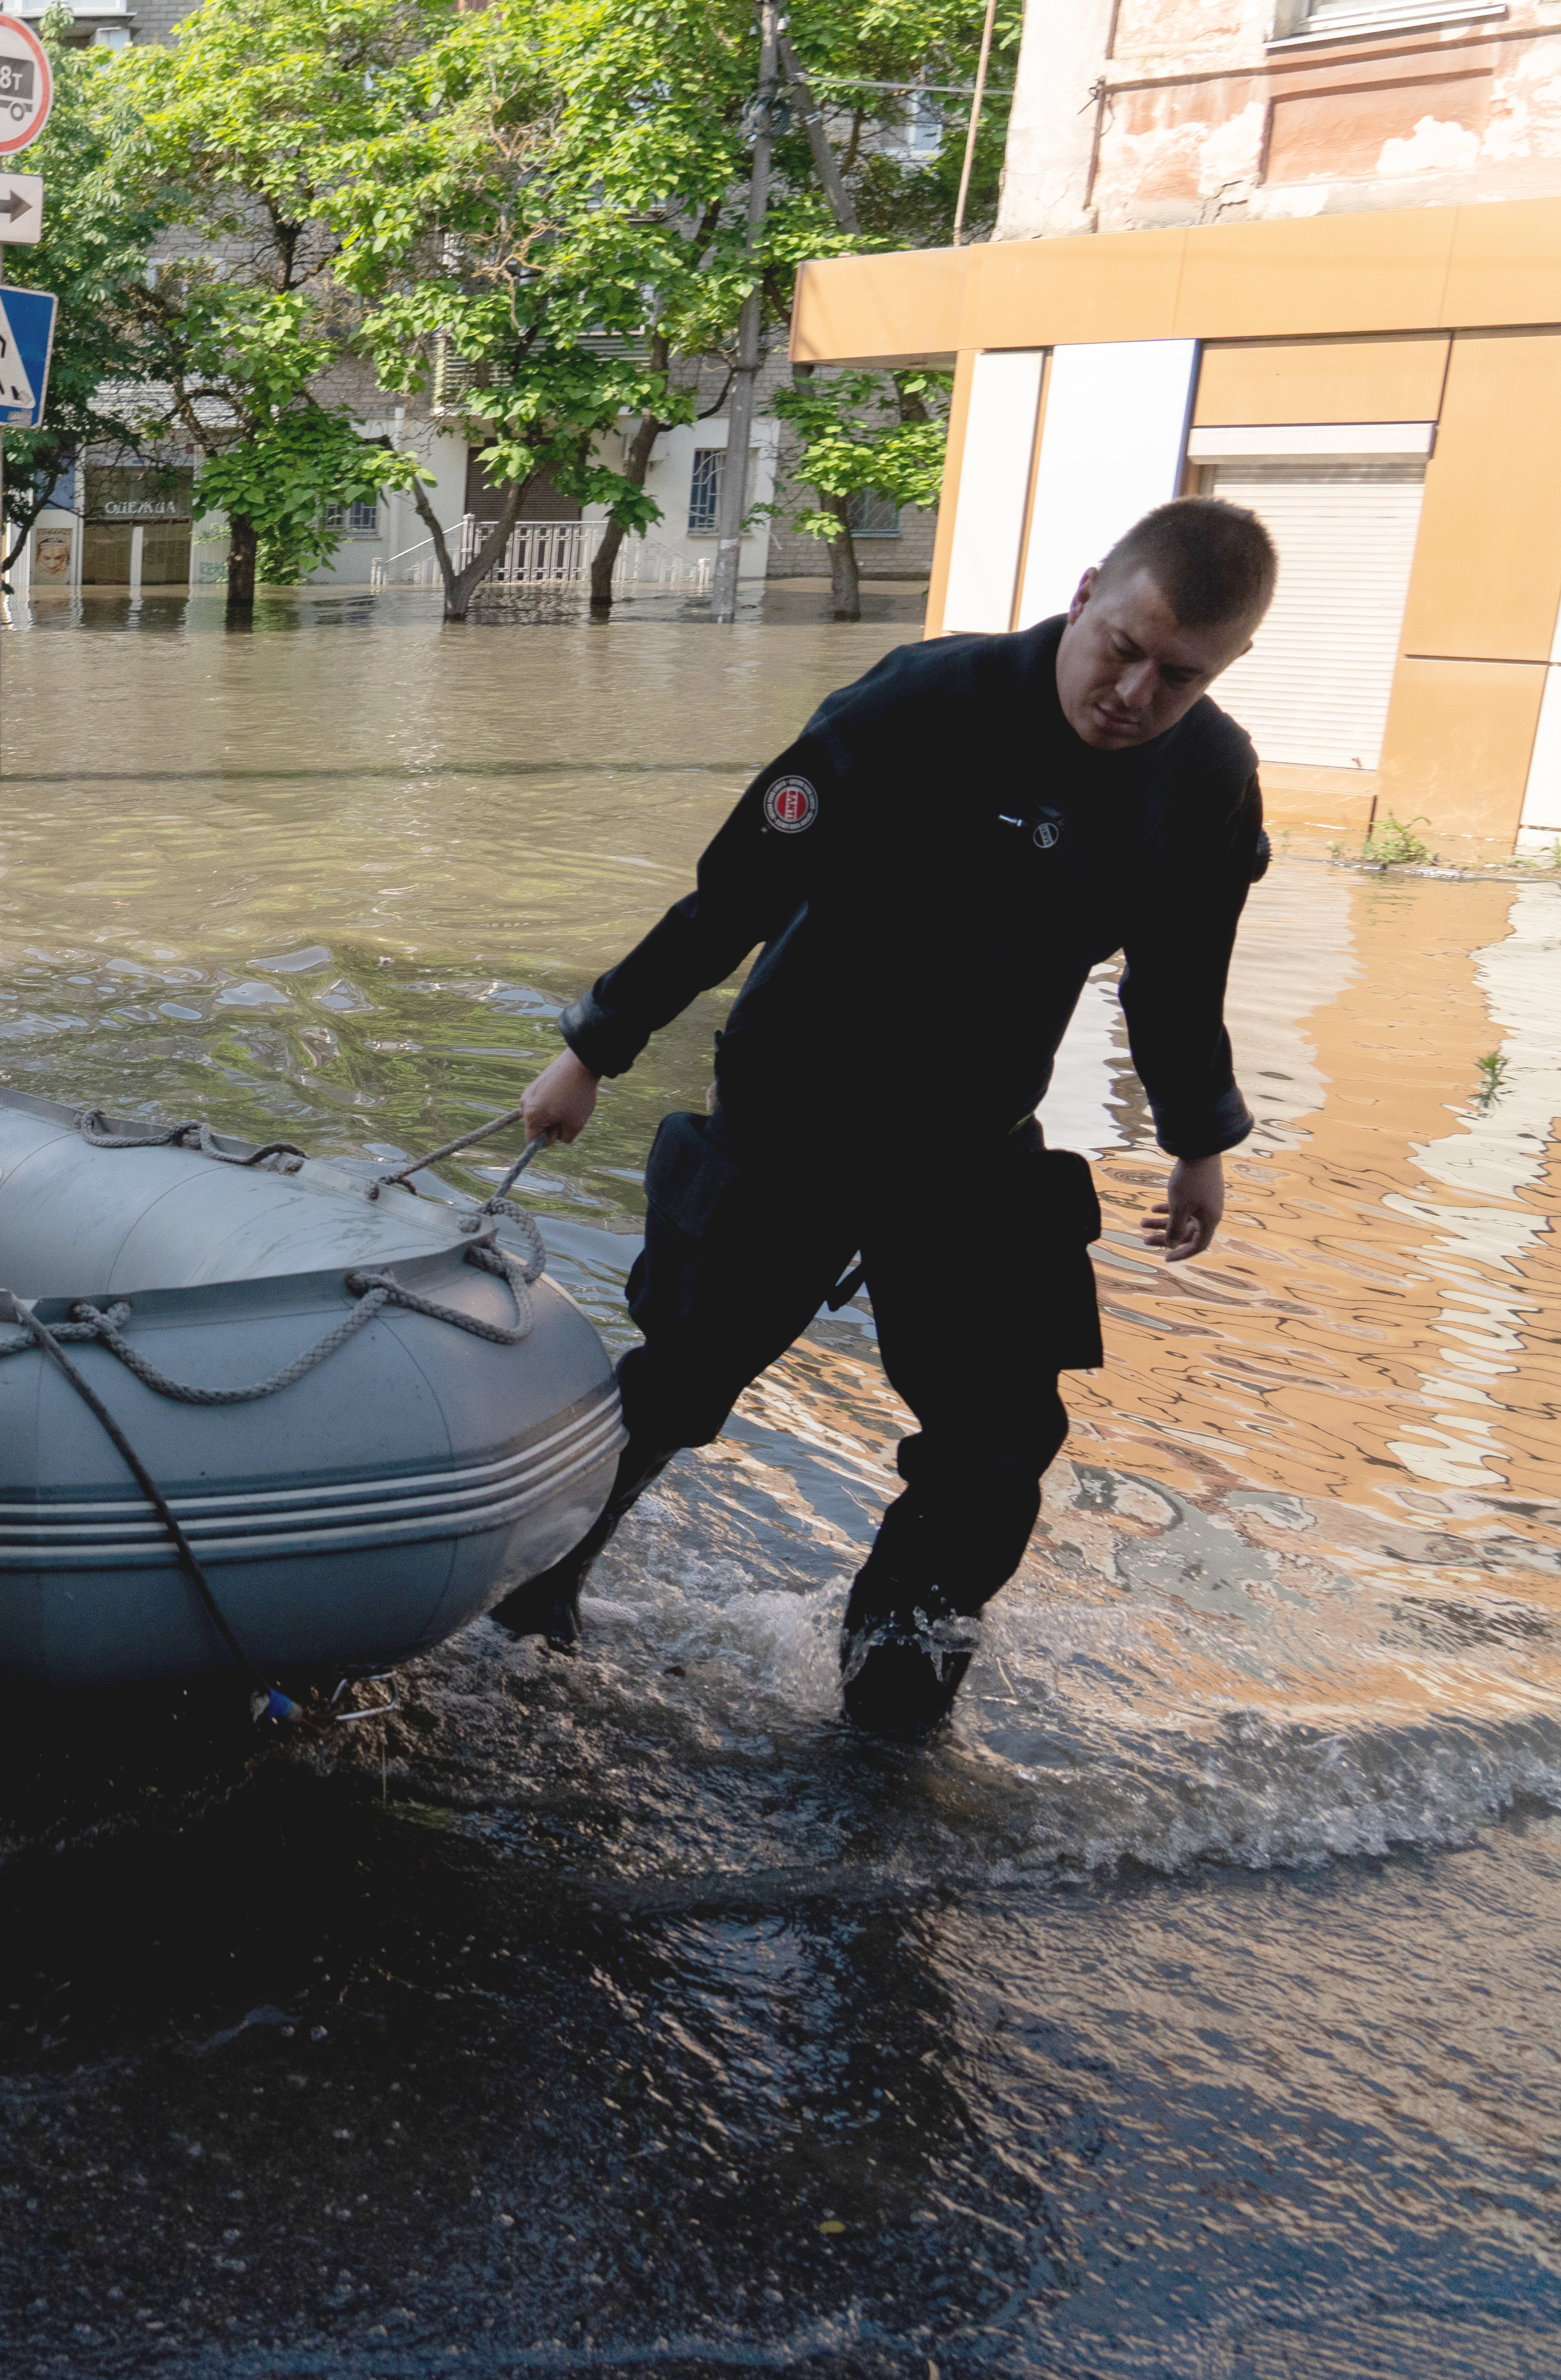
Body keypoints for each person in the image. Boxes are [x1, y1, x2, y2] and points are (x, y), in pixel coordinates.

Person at [497, 497, 1281, 1738]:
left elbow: (1181, 971)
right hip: (798, 1097)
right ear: (1084, 595)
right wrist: (595, 1046)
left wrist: (1196, 1140)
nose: (1134, 690)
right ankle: (527, 1594)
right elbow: (736, 890)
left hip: (969, 1140)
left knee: (997, 1440)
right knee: (687, 1381)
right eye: (1121, 646)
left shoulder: (1206, 778)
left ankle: (894, 1707)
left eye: (1177, 674)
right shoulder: (925, 701)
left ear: (1225, 667)